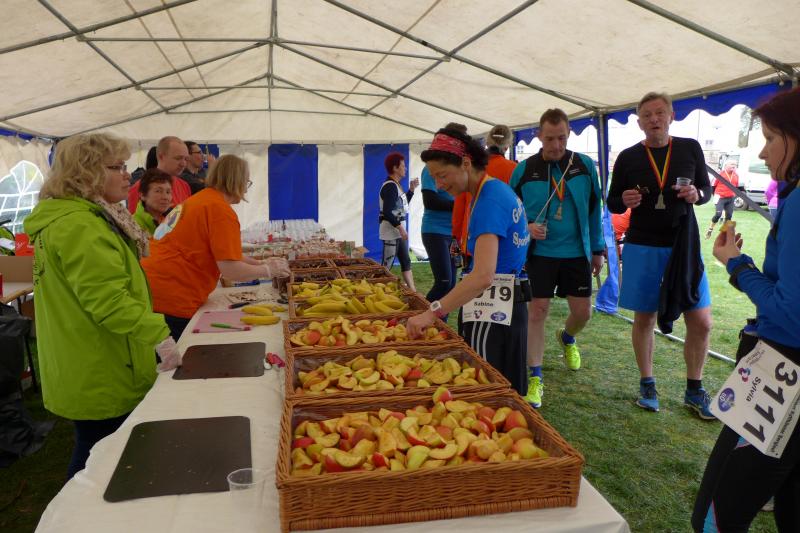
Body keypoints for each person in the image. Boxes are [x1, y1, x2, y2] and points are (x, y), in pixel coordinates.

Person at [23, 133, 180, 480]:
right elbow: (108, 300)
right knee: (98, 457)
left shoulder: (81, 216)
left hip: (87, 356)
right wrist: (160, 336)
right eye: (116, 167)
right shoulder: (81, 225)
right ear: (86, 173)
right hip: (100, 363)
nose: (127, 175)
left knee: (100, 450)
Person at [692, 86, 800, 533]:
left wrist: (737, 265)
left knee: (715, 518)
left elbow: (791, 312)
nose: (762, 150)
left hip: (784, 369)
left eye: (771, 138)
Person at [608, 91, 714, 419]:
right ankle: (647, 384)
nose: (654, 119)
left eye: (659, 113)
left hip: (684, 245)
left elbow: (707, 190)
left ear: (671, 116)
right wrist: (624, 199)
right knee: (645, 318)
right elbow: (612, 202)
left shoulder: (690, 148)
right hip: (643, 245)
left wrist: (697, 193)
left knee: (702, 321)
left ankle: (694, 389)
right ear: (639, 122)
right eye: (647, 115)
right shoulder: (628, 157)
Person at [407, 126, 531, 395]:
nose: (438, 185)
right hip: (509, 305)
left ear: (465, 163)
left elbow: (483, 276)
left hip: (492, 312)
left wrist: (432, 312)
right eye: (434, 177)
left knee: (484, 392)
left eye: (442, 175)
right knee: (503, 391)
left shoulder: (488, 200)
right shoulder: (495, 191)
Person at [509, 109, 605, 408]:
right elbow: (509, 213)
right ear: (539, 135)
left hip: (577, 253)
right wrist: (526, 227)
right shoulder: (524, 170)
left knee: (583, 313)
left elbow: (595, 210)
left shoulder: (584, 165)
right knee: (537, 311)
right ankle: (535, 376)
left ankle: (567, 337)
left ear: (569, 134)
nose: (556, 145)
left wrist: (598, 249)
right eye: (550, 139)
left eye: (561, 138)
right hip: (539, 255)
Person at [141, 154, 289, 340]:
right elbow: (230, 270)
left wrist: (260, 263)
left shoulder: (202, 199)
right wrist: (267, 271)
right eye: (246, 182)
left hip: (153, 286)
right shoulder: (220, 210)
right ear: (236, 181)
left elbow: (226, 253)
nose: (246, 189)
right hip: (172, 294)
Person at [452, 124, 517, 265]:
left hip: (472, 240)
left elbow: (459, 207)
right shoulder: (514, 169)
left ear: (487, 143)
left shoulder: (470, 167)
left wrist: (456, 239)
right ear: (507, 146)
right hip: (504, 241)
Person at [379, 152, 418, 291]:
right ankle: (375, 289)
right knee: (386, 265)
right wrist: (400, 228)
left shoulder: (395, 185)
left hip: (396, 231)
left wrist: (411, 190)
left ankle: (413, 291)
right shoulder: (390, 186)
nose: (405, 168)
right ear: (395, 168)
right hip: (391, 231)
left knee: (405, 261)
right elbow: (388, 212)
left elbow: (400, 208)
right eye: (403, 165)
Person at [126, 136, 192, 214]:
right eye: (178, 158)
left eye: (186, 159)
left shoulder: (184, 186)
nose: (183, 163)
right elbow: (134, 220)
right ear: (161, 157)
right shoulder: (140, 187)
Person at [420, 165, 456, 304]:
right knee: (444, 282)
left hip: (452, 234)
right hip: (435, 231)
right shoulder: (430, 169)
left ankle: (441, 318)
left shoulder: (454, 169)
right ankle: (424, 314)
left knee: (451, 284)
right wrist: (459, 205)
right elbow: (430, 201)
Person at [705, 159, 740, 238]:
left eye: (735, 164)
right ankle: (710, 230)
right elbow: (713, 186)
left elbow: (736, 187)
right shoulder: (720, 174)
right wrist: (715, 195)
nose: (734, 166)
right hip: (720, 197)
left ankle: (723, 234)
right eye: (732, 164)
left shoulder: (736, 175)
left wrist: (734, 195)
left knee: (729, 216)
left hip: (730, 198)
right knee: (718, 214)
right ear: (726, 165)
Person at [132, 168, 172, 235]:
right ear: (142, 195)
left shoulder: (173, 221)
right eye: (158, 191)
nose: (165, 197)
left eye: (168, 192)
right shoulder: (133, 225)